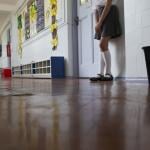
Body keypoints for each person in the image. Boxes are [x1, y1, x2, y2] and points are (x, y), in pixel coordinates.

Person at [90, 0, 121, 81]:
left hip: (109, 12)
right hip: (100, 14)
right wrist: (97, 24)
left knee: (102, 45)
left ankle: (108, 73)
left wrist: (100, 22)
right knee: (102, 47)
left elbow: (108, 3)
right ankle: (101, 73)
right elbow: (95, 9)